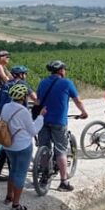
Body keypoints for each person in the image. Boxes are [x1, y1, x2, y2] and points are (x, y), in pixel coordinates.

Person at [35, 60, 89, 192]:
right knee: (61, 151)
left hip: (43, 120)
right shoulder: (67, 83)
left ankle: (44, 177)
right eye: (64, 69)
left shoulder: (43, 82)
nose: (65, 71)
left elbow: (38, 101)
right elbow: (77, 100)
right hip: (58, 121)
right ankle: (64, 182)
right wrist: (84, 112)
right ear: (60, 71)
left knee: (44, 148)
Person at [0, 84, 46, 210]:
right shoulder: (23, 111)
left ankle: (9, 196)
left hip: (8, 145)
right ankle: (16, 204)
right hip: (22, 146)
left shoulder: (5, 107)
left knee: (13, 170)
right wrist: (41, 116)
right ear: (24, 97)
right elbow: (33, 130)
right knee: (20, 173)